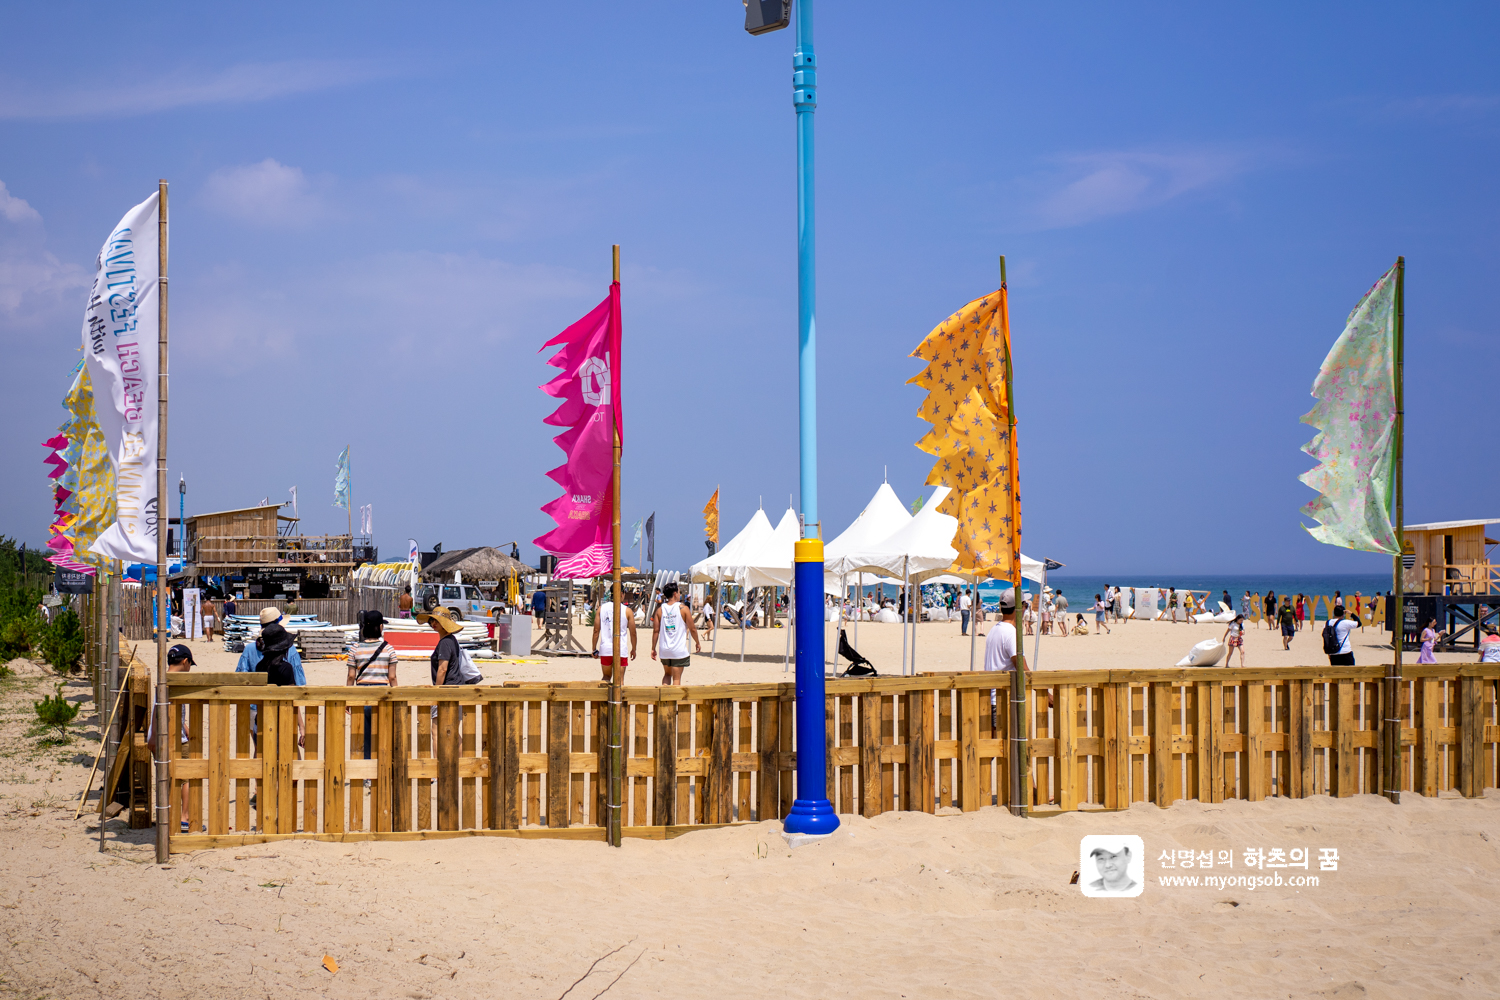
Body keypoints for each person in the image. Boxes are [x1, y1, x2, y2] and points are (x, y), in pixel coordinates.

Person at [234, 607, 306, 748]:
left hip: (256, 709)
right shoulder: (289, 650)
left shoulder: (249, 650)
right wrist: (301, 725)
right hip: (283, 710)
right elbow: (298, 685)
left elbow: (241, 679)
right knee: (288, 750)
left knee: (260, 751)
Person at [347, 610, 399, 760]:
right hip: (381, 695)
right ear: (380, 627)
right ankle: (382, 764)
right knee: (382, 734)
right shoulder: (388, 649)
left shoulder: (355, 648)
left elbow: (351, 676)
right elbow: (392, 677)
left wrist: (347, 698)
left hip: (361, 696)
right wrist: (397, 696)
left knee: (364, 736)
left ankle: (366, 767)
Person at [166, 644, 196, 830]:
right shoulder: (179, 683)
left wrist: (184, 726)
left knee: (171, 777)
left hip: (169, 736)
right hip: (179, 739)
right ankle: (185, 817)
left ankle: (172, 815)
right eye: (190, 664)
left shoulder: (164, 679)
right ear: (185, 661)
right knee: (187, 777)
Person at [651, 583, 702, 685]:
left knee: (667, 675)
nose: (679, 594)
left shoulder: (660, 610)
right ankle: (673, 696)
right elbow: (692, 629)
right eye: (679, 592)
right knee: (676, 679)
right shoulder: (683, 608)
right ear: (675, 594)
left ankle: (664, 695)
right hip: (678, 649)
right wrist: (697, 642)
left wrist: (653, 648)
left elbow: (656, 631)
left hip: (664, 649)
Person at [592, 591, 638, 684]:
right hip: (621, 648)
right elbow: (633, 633)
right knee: (619, 680)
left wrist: (594, 648)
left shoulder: (601, 609)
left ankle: (603, 694)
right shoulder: (627, 610)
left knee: (606, 677)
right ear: (621, 594)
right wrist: (633, 649)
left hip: (606, 648)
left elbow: (596, 631)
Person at [417, 607, 467, 685]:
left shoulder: (445, 642)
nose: (434, 623)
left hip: (449, 687)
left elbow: (443, 669)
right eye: (432, 620)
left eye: (437, 620)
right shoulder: (451, 639)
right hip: (456, 683)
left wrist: (437, 689)